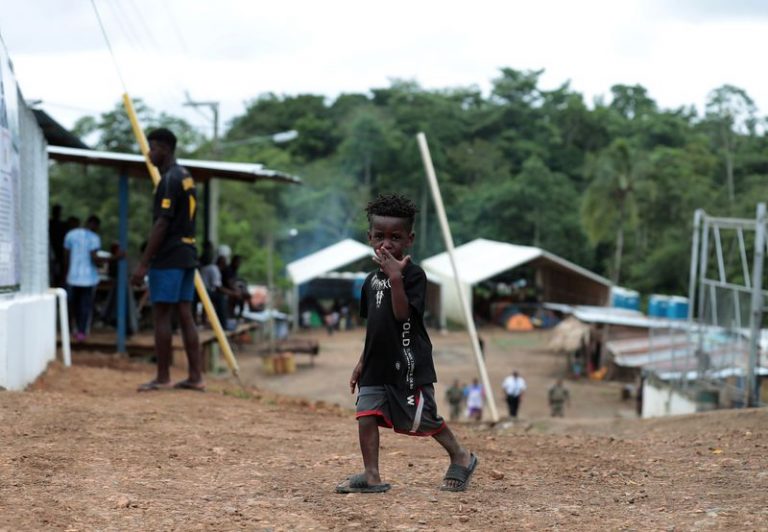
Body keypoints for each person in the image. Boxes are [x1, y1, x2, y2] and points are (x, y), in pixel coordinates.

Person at [336, 193, 477, 494]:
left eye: (395, 237)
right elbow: (374, 327)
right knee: (365, 414)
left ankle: (460, 456)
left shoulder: (414, 276)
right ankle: (371, 474)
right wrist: (362, 362)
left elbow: (402, 316)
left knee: (424, 419)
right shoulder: (370, 281)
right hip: (376, 364)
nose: (386, 244)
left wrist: (396, 278)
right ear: (369, 237)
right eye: (379, 236)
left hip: (409, 363)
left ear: (409, 239)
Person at [131, 128, 204, 392]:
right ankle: (195, 377)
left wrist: (143, 263)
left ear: (164, 149)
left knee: (161, 313)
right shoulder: (186, 177)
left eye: (152, 148)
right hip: (187, 254)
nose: (148, 153)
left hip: (170, 256)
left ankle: (163, 376)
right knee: (185, 314)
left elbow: (162, 223)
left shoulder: (169, 180)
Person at [63, 215, 103, 342]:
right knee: (84, 306)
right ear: (95, 225)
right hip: (88, 279)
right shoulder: (94, 238)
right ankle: (81, 332)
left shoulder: (71, 235)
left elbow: (66, 257)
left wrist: (64, 274)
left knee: (71, 305)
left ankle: (69, 330)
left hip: (72, 277)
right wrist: (114, 259)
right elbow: (94, 258)